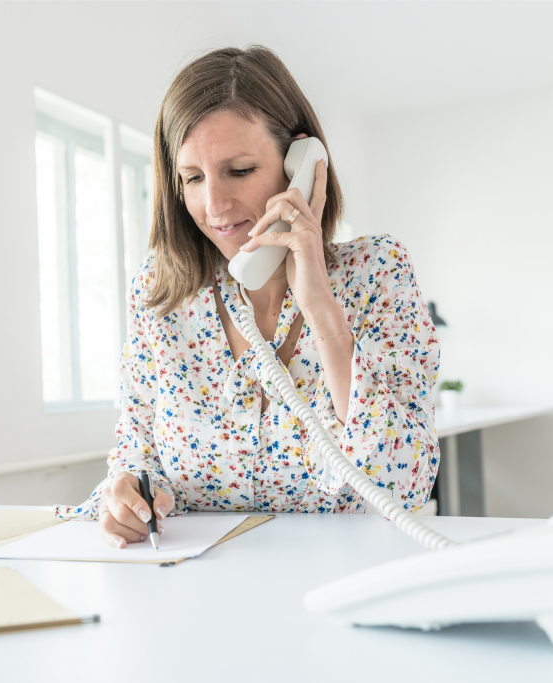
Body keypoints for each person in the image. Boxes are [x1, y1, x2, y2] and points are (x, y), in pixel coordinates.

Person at [55, 46, 440, 549]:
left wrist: (320, 307)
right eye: (193, 178)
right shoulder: (162, 292)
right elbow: (137, 447)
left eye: (239, 170)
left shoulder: (376, 272)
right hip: (194, 588)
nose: (214, 205)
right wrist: (127, 494)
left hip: (338, 582)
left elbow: (404, 483)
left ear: (302, 164)